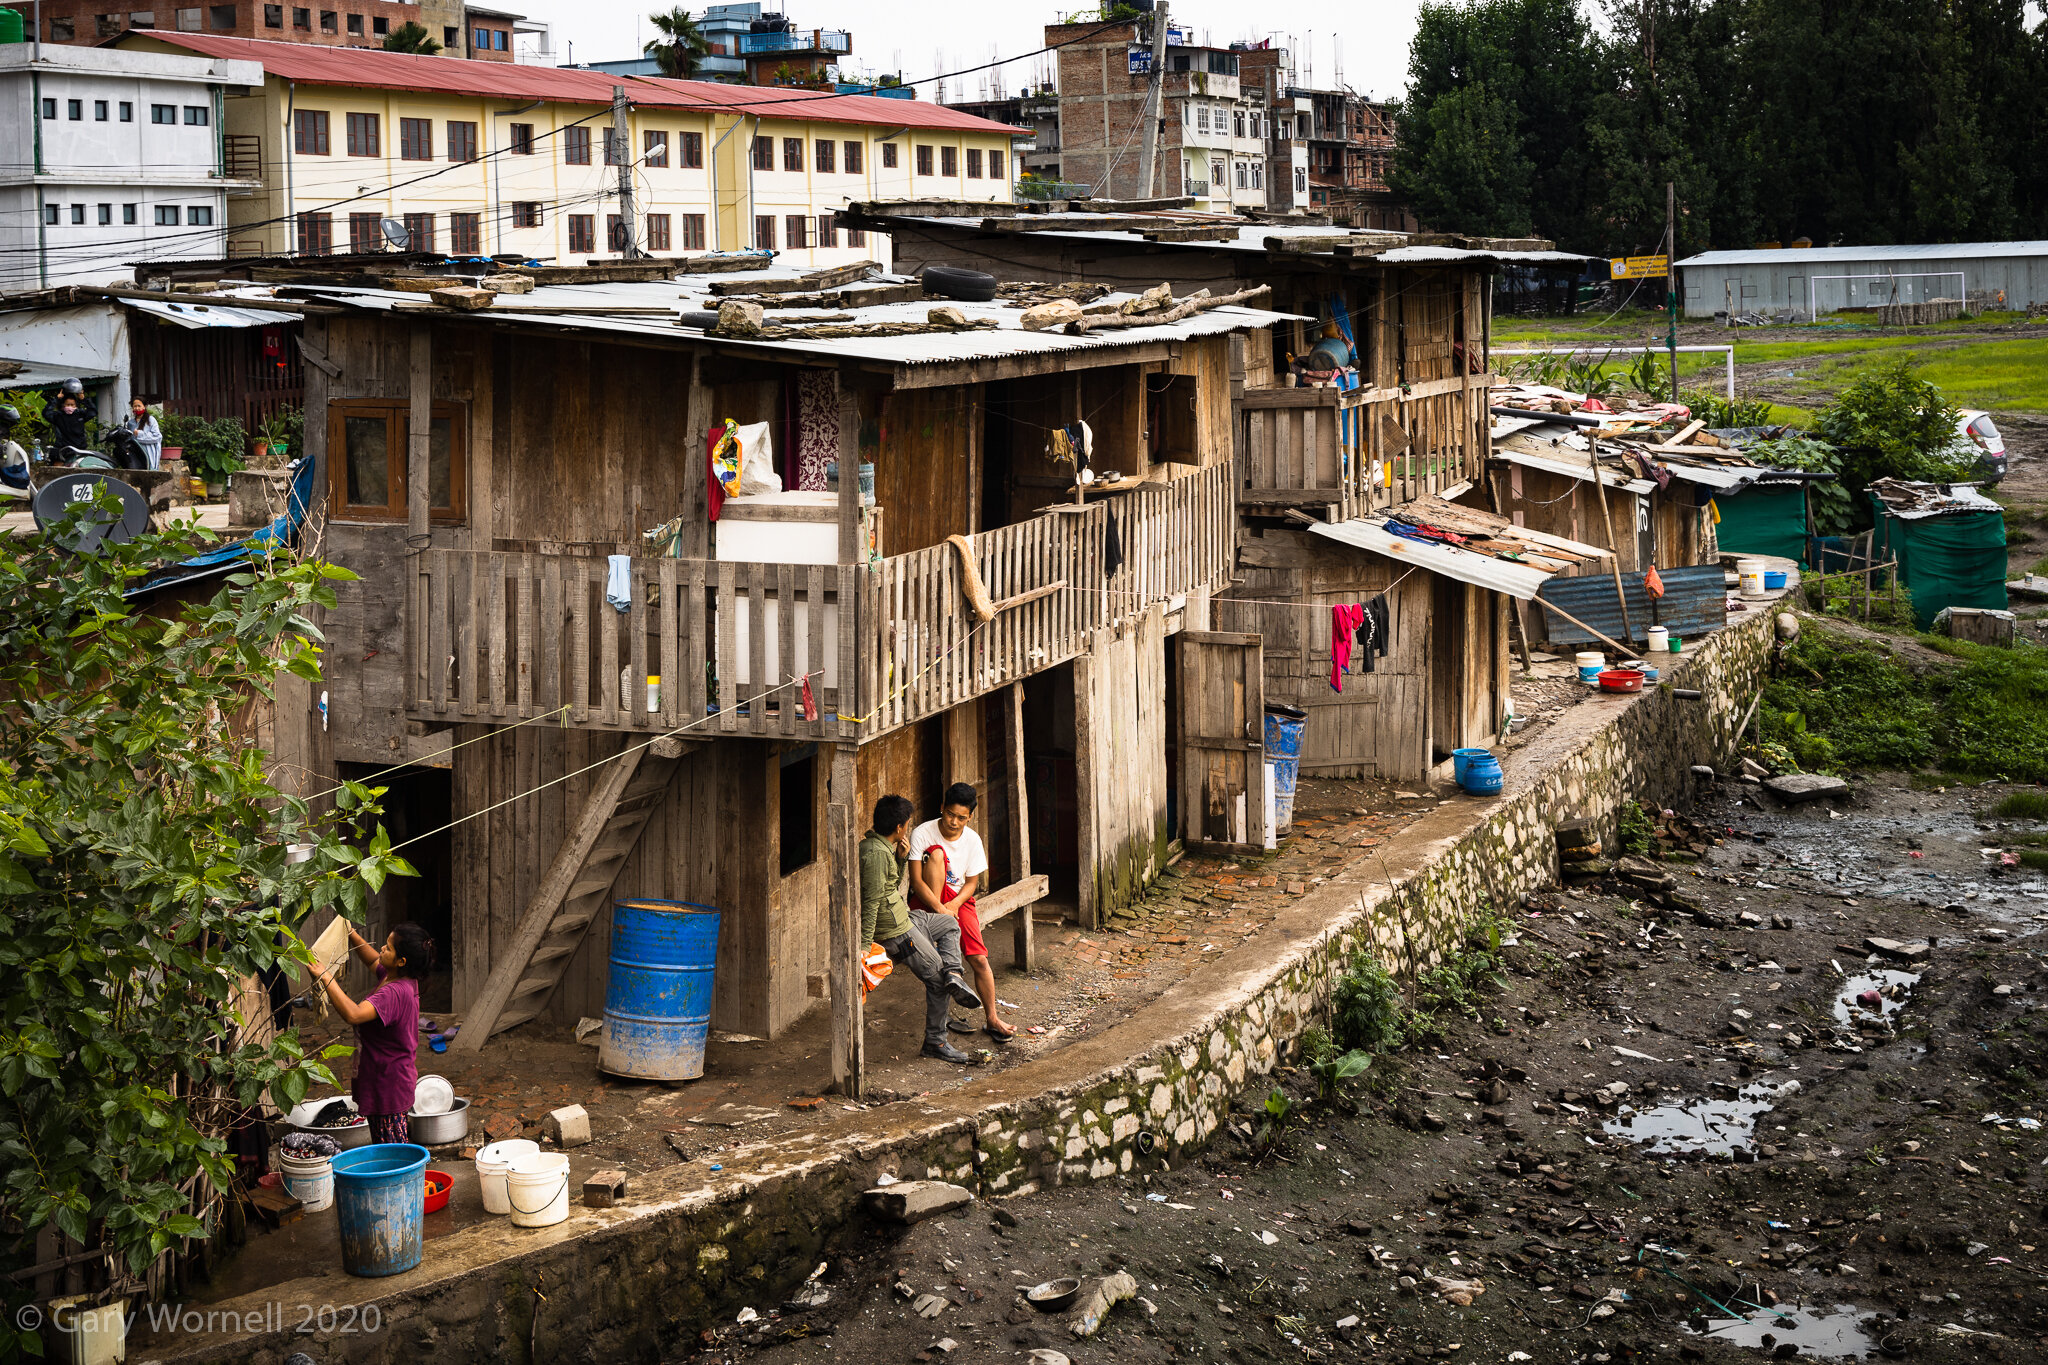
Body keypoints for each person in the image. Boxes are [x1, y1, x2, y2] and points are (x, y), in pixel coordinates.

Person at [861, 793, 982, 1064]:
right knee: (937, 983)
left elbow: (890, 889)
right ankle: (935, 1042)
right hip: (897, 932)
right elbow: (869, 903)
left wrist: (901, 859)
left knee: (950, 922)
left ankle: (954, 972)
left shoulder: (880, 848)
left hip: (905, 917)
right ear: (899, 828)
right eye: (906, 823)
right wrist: (863, 947)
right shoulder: (875, 855)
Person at [909, 782, 1015, 1043]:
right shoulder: (923, 832)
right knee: (936, 855)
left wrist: (953, 907)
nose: (954, 822)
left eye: (961, 818)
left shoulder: (973, 840)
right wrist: (940, 910)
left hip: (958, 902)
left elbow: (971, 884)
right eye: (950, 814)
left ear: (970, 816)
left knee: (979, 958)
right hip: (926, 901)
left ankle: (992, 1018)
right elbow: (916, 882)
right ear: (942, 808)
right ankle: (945, 1002)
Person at [312, 921, 432, 1144]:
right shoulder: (398, 976)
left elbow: (354, 1015)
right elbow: (372, 959)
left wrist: (326, 976)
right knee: (387, 1146)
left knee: (392, 1154)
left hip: (388, 1085)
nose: (382, 949)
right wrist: (351, 934)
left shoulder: (393, 993)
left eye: (388, 947)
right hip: (387, 1078)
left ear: (401, 961)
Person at [122, 397, 163, 471]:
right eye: (135, 406)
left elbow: (157, 437)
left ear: (144, 406)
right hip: (135, 453)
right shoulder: (131, 423)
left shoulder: (151, 420)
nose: (137, 408)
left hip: (148, 453)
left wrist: (140, 434)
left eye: (139, 406)